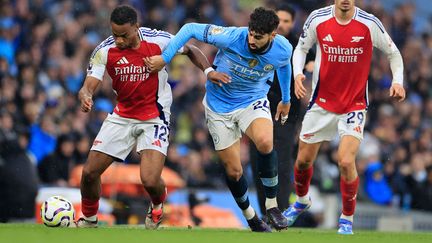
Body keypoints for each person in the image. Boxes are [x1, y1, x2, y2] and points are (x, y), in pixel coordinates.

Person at [76, 5, 228, 229]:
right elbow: (90, 82)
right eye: (114, 34)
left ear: (136, 28)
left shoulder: (158, 41)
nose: (118, 40)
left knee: (149, 179)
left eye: (124, 35)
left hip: (154, 116)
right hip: (122, 115)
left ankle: (157, 205)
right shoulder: (104, 50)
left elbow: (192, 50)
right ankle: (89, 220)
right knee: (89, 173)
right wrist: (86, 94)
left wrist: (208, 72)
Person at [145, 7, 293, 232]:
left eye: (258, 37)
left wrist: (285, 98)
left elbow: (283, 65)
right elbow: (190, 29)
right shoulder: (232, 36)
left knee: (264, 142)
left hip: (252, 100)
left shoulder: (283, 48)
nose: (252, 39)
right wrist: (165, 58)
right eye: (251, 33)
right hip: (218, 107)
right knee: (234, 171)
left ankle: (272, 206)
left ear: (273, 35)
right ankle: (251, 217)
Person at [282, 0, 406, 235]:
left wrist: (397, 82)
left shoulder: (369, 24)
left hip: (354, 105)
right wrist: (298, 74)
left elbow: (394, 53)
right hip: (321, 103)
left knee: (346, 161)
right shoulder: (318, 18)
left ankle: (346, 218)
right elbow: (300, 48)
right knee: (303, 162)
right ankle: (301, 200)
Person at [249, 3, 314, 219]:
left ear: (293, 23)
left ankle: (281, 212)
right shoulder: (258, 42)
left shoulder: (299, 46)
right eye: (280, 20)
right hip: (258, 110)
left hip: (287, 116)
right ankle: (266, 213)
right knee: (259, 163)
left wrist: (311, 67)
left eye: (287, 21)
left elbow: (313, 60)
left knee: (282, 164)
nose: (283, 25)